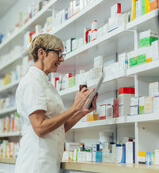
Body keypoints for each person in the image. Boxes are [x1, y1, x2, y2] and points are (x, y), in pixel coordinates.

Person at [15, 33, 98, 173]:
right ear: (42, 53)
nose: (62, 59)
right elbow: (40, 128)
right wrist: (74, 108)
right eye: (58, 53)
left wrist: (82, 111)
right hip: (35, 164)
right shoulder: (32, 83)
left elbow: (60, 127)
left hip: (48, 163)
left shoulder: (46, 84)